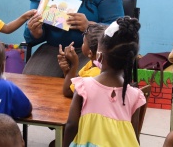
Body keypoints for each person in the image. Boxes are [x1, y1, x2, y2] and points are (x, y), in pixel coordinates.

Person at [63, 16, 146, 147]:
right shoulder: (135, 95)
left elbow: (71, 126)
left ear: (99, 55)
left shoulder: (83, 86)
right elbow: (134, 136)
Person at [58, 23, 106, 97]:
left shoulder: (95, 73)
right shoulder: (92, 64)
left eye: (83, 43)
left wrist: (74, 64)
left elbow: (68, 91)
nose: (82, 45)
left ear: (90, 53)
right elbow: (76, 80)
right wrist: (67, 70)